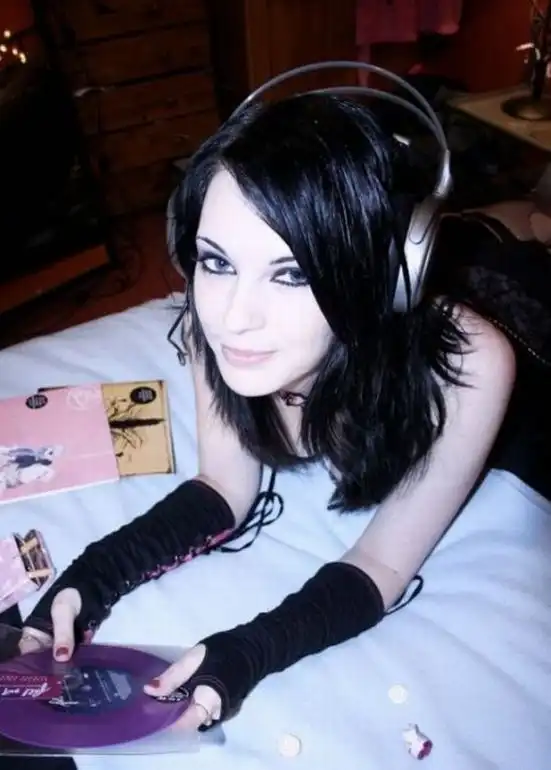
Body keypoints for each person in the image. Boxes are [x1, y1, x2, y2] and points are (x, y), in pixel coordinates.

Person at [18, 91, 550, 732]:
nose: (234, 317)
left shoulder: (472, 365)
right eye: (218, 261)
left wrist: (251, 651)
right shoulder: (213, 319)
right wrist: (91, 578)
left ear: (381, 279)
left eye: (291, 273)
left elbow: (382, 564)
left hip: (526, 305)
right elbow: (223, 485)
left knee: (526, 232)